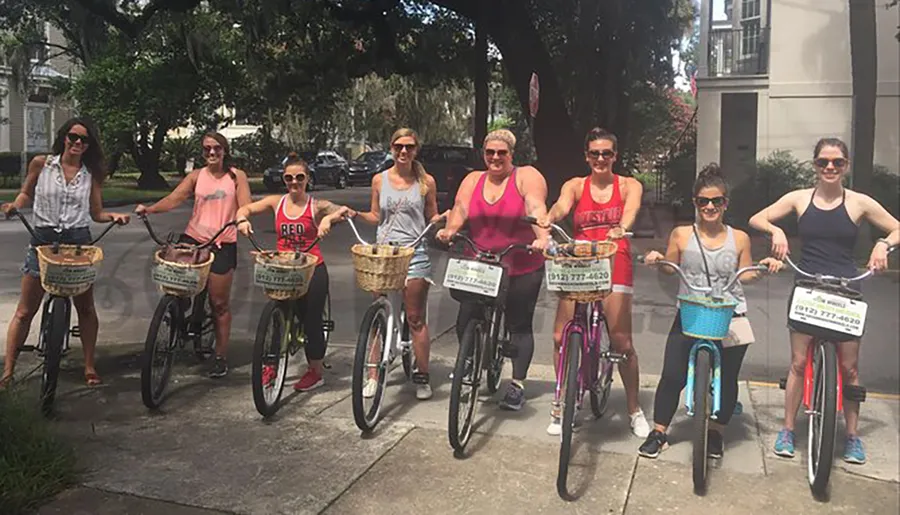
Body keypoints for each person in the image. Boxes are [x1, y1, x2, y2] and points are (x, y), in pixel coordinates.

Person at [749, 137, 899, 465]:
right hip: (808, 286)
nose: (830, 168)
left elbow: (898, 228)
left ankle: (853, 435)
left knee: (850, 367)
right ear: (814, 165)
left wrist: (883, 245)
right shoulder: (800, 199)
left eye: (837, 163)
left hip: (846, 288)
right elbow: (758, 218)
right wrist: (776, 232)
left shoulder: (859, 202)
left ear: (845, 166)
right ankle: (788, 429)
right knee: (798, 363)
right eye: (823, 162)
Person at [637, 164, 783, 459]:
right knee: (673, 375)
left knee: (728, 378)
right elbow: (669, 269)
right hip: (691, 311)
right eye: (703, 201)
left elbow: (744, 275)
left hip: (731, 314)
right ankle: (660, 431)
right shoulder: (681, 234)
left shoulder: (738, 238)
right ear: (695, 203)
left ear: (725, 203)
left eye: (716, 201)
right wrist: (658, 260)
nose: (710, 206)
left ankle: (716, 432)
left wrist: (764, 270)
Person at [1, 117, 130, 387]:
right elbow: (26, 194)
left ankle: (89, 366)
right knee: (25, 311)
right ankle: (8, 372)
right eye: (73, 137)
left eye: (84, 140)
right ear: (64, 137)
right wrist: (15, 205)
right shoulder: (42, 164)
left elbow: (96, 212)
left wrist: (114, 216)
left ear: (89, 145)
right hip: (43, 239)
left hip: (78, 242)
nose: (78, 143)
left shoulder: (91, 174)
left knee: (85, 308)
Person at [539, 127, 649, 437]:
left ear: (615, 156)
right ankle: (561, 399)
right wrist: (551, 217)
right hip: (581, 260)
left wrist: (621, 227)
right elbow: (562, 206)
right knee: (561, 336)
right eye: (595, 153)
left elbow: (631, 210)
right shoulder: (576, 185)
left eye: (607, 153)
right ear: (586, 156)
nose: (601, 158)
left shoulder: (628, 185)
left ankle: (634, 409)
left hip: (615, 258)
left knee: (622, 342)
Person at [436, 129, 550, 411]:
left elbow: (535, 207)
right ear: (483, 154)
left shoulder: (526, 176)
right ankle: (470, 360)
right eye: (490, 153)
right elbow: (460, 208)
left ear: (512, 154)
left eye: (502, 153)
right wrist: (450, 230)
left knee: (519, 325)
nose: (495, 158)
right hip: (481, 261)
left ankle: (517, 383)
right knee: (466, 317)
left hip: (521, 262)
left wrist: (542, 237)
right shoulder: (474, 179)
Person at [135, 132, 252, 379]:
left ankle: (220, 356)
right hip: (193, 239)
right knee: (176, 287)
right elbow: (175, 198)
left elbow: (245, 206)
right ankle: (178, 313)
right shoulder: (196, 176)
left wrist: (242, 221)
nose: (211, 153)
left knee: (219, 303)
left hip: (222, 242)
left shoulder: (236, 176)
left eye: (216, 148)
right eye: (207, 149)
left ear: (224, 150)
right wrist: (150, 209)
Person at [235, 153, 354, 391]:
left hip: (312, 267)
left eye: (299, 177)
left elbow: (345, 211)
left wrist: (328, 219)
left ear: (307, 179)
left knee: (312, 322)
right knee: (277, 317)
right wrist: (242, 221)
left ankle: (315, 371)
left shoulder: (316, 205)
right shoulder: (275, 202)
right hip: (283, 267)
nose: (294, 182)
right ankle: (271, 365)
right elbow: (245, 209)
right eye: (289, 178)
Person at [355, 128, 446, 400]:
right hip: (383, 254)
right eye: (398, 146)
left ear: (416, 149)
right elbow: (375, 215)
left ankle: (422, 375)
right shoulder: (379, 180)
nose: (403, 151)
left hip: (414, 252)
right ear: (391, 148)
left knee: (416, 317)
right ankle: (372, 373)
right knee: (377, 313)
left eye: (409, 147)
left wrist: (442, 223)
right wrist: (354, 214)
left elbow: (431, 216)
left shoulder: (425, 181)